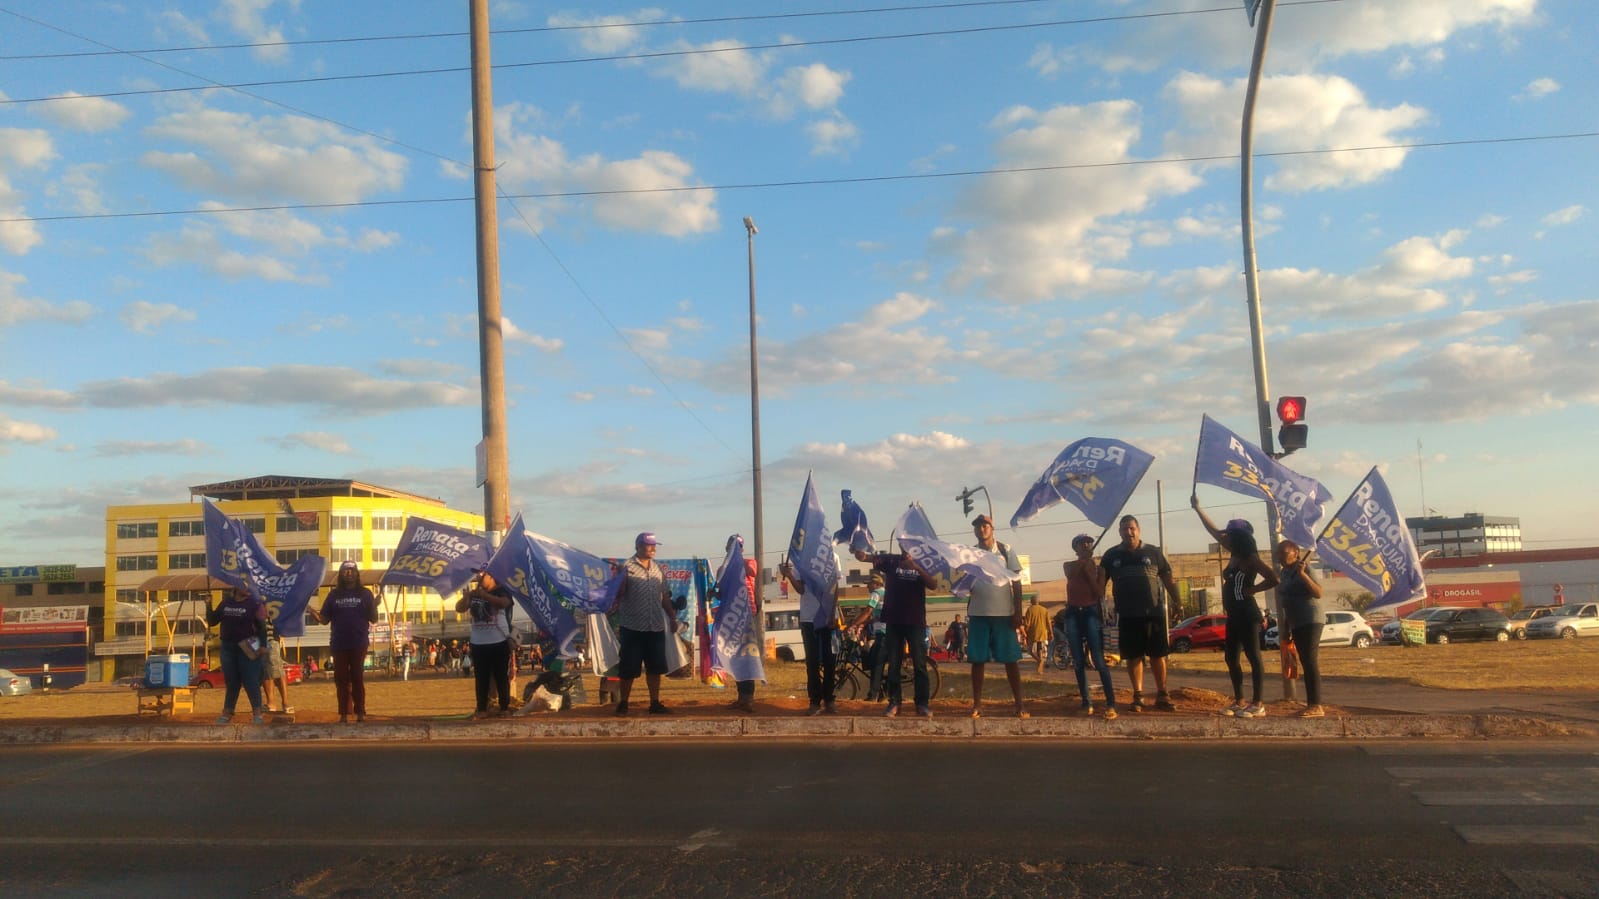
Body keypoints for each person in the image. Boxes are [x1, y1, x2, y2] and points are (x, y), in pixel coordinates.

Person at [1192, 496, 1280, 718]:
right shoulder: (1233, 554)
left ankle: (1258, 703)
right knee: (1231, 657)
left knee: (1253, 657)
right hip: (1233, 614)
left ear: (1240, 537)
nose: (1226, 536)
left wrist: (1254, 590)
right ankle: (1239, 700)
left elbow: (1273, 578)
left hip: (1248, 613)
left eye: (1230, 534)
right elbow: (1214, 532)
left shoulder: (1251, 558)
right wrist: (1198, 508)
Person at [1101, 514, 1182, 713]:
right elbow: (1100, 584)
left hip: (1153, 613)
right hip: (1127, 615)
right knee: (1133, 657)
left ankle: (1162, 694)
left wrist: (1178, 602)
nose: (1128, 532)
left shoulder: (1153, 552)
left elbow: (1169, 580)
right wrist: (1100, 607)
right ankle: (1138, 696)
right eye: (1124, 529)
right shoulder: (1111, 556)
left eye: (1131, 528)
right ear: (1119, 532)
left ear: (1138, 529)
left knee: (1158, 655)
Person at [853, 546, 939, 717]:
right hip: (893, 620)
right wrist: (860, 553)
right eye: (902, 542)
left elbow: (933, 585)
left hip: (915, 621)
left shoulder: (923, 561)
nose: (906, 546)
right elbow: (868, 558)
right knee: (893, 664)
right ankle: (894, 702)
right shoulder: (892, 560)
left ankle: (922, 704)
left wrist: (916, 567)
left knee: (920, 664)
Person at [965, 514, 1029, 718]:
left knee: (1011, 661)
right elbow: (963, 580)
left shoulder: (1005, 550)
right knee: (977, 661)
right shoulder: (970, 553)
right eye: (977, 526)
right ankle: (977, 705)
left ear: (992, 528)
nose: (981, 529)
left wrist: (1018, 611)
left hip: (1004, 614)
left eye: (985, 525)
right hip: (978, 613)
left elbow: (1017, 582)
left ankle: (1019, 704)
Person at [613, 532, 676, 716]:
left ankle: (654, 703)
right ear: (638, 546)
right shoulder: (626, 567)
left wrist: (672, 617)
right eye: (648, 545)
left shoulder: (658, 569)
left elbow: (664, 596)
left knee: (655, 669)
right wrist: (620, 578)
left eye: (654, 545)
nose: (652, 548)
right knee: (628, 669)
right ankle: (623, 703)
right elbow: (619, 593)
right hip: (632, 627)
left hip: (655, 626)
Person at [314, 560, 379, 724]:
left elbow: (374, 619)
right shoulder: (333, 595)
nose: (348, 573)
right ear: (341, 575)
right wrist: (309, 610)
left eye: (351, 570)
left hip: (359, 642)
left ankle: (360, 712)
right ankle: (344, 713)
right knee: (341, 679)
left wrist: (375, 606)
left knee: (357, 677)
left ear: (357, 574)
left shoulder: (365, 594)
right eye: (345, 570)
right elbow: (323, 619)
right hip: (338, 643)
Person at [1061, 533, 1117, 719]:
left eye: (1089, 543)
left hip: (1091, 612)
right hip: (1073, 614)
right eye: (1082, 543)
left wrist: (1090, 571)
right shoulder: (1069, 565)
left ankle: (1111, 703)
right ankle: (1086, 702)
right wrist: (1084, 563)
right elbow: (1071, 574)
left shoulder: (1099, 570)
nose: (1086, 545)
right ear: (1075, 548)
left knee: (1099, 660)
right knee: (1078, 661)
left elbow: (1099, 592)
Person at [780, 551, 841, 715]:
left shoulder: (833, 557)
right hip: (809, 617)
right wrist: (789, 575)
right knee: (812, 662)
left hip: (827, 617)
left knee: (830, 661)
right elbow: (800, 589)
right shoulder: (801, 559)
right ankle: (814, 701)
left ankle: (829, 699)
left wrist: (832, 613)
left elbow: (835, 588)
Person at [205, 585, 268, 724]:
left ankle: (257, 714)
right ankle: (227, 713)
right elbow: (212, 620)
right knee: (232, 682)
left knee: (251, 681)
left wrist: (263, 645)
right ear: (236, 586)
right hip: (228, 646)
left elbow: (261, 626)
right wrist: (208, 605)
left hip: (248, 645)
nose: (247, 588)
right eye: (243, 585)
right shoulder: (226, 603)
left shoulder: (255, 604)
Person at [1277, 538, 1326, 717]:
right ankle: (1311, 703)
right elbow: (1286, 602)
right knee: (1304, 661)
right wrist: (1287, 627)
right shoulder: (1284, 573)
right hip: (1295, 621)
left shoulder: (1306, 568)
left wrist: (1303, 574)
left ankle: (1316, 705)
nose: (1280, 557)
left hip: (1311, 619)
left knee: (1310, 660)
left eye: (1284, 554)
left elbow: (1319, 593)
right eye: (1278, 554)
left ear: (1295, 553)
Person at [456, 568, 513, 718]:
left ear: (492, 576)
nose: (479, 577)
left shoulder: (501, 590)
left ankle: (504, 707)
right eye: (478, 574)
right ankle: (482, 708)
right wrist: (466, 598)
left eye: (483, 574)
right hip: (478, 642)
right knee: (481, 678)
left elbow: (503, 603)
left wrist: (485, 596)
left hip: (498, 641)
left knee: (501, 676)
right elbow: (459, 608)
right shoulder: (474, 593)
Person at [848, 573, 890, 701]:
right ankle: (882, 690)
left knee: (876, 662)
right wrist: (863, 623)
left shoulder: (876, 594)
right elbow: (875, 618)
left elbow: (868, 611)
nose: (867, 586)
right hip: (889, 631)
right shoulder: (886, 593)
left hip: (883, 633)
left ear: (877, 584)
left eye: (869, 584)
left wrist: (853, 624)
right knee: (874, 659)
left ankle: (873, 694)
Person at [262, 612, 293, 715]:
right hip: (256, 639)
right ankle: (276, 703)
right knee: (266, 670)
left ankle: (278, 703)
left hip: (269, 639)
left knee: (274, 670)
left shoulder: (268, 599)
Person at [1022, 595, 1052, 676]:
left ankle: (1039, 661)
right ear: (1038, 601)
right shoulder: (1044, 610)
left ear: (1032, 601)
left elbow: (1027, 624)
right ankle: (1040, 669)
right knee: (1040, 650)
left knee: (1030, 651)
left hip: (1033, 633)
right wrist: (1051, 633)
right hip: (1043, 633)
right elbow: (1048, 623)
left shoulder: (1030, 610)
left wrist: (1025, 633)